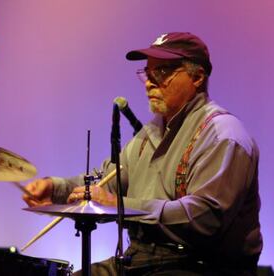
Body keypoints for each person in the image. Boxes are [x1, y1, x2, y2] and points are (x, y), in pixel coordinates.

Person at [23, 32, 262, 275]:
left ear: (197, 77)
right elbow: (108, 182)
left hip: (198, 266)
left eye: (162, 72)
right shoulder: (149, 134)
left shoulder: (223, 136)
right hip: (140, 261)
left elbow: (204, 218)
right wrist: (56, 188)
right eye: (147, 73)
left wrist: (121, 206)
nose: (149, 82)